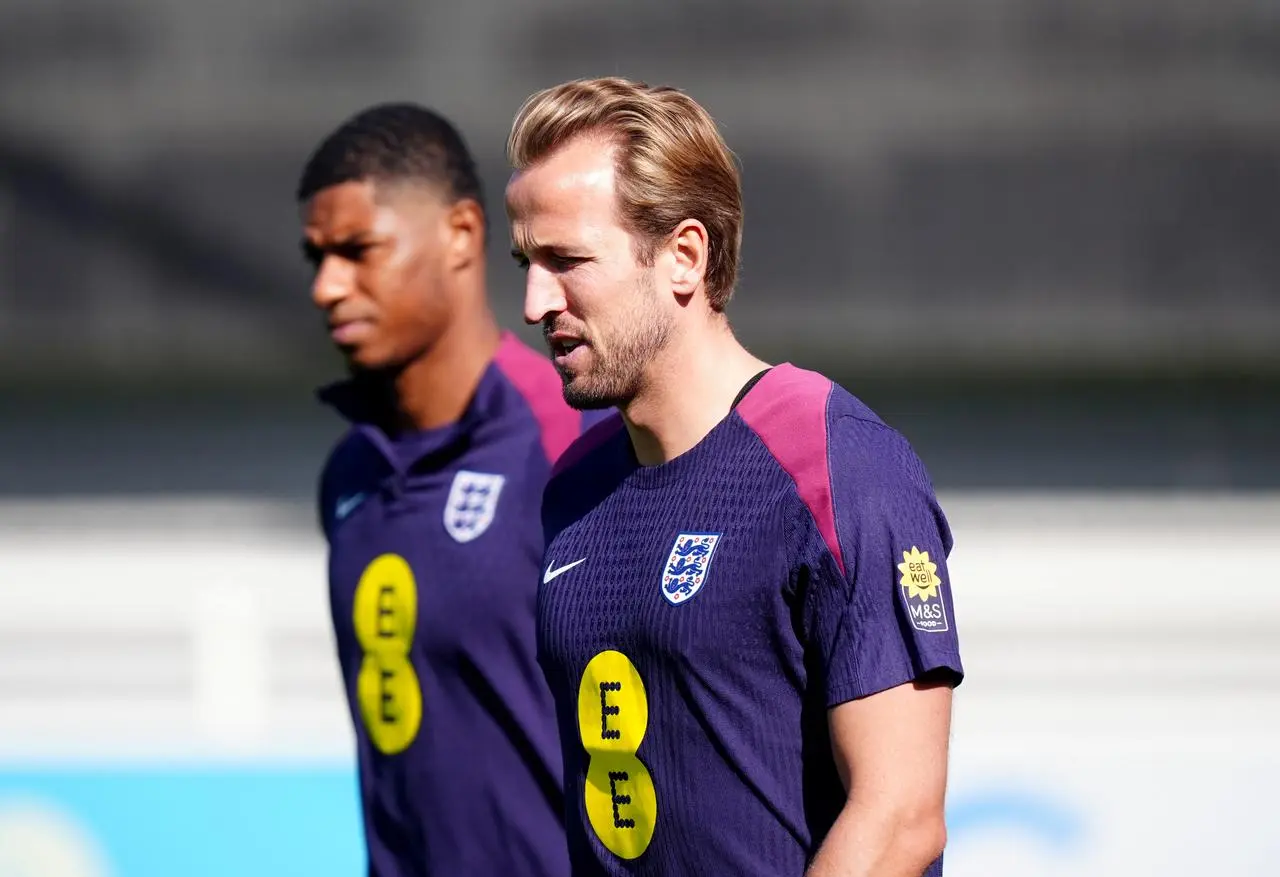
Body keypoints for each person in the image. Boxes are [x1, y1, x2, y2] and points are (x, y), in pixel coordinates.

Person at [505, 78, 964, 876]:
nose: (534, 301)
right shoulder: (573, 487)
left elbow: (900, 818)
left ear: (683, 256)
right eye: (526, 263)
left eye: (566, 260)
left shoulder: (834, 463)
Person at [299, 102, 593, 877]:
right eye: (316, 257)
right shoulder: (350, 476)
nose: (327, 286)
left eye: (358, 250)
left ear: (461, 233)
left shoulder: (570, 443)